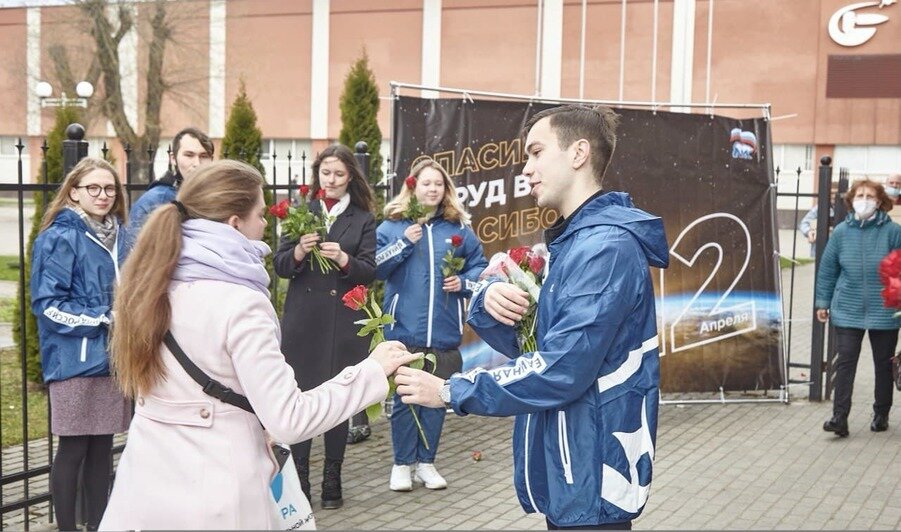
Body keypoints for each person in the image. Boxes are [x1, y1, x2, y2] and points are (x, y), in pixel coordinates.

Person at [99, 160, 419, 530]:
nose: (267, 224)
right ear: (235, 223)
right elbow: (291, 419)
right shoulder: (240, 303)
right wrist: (372, 371)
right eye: (261, 214)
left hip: (144, 489)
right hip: (216, 494)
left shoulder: (148, 282)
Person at [395, 105, 669, 530]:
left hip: (593, 472)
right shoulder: (575, 242)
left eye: (537, 152)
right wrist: (487, 301)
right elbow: (533, 345)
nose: (527, 169)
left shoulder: (604, 248)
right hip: (572, 468)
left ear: (578, 153)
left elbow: (561, 368)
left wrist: (452, 391)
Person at [273, 144, 377, 509]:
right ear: (317, 175)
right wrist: (299, 251)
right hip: (304, 323)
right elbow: (281, 265)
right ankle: (299, 475)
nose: (331, 181)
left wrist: (345, 259)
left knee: (337, 400)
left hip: (343, 322)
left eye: (339, 174)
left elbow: (370, 270)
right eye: (325, 174)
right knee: (300, 398)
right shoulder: (303, 212)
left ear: (350, 177)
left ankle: (332, 478)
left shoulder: (363, 218)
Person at [30, 157, 132, 532]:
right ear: (74, 192)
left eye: (109, 188)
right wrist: (104, 318)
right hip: (74, 361)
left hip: (113, 361)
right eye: (94, 188)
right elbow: (48, 306)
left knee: (102, 450)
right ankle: (68, 528)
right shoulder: (59, 237)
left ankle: (99, 525)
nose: (103, 195)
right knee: (72, 450)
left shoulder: (123, 235)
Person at [376, 157, 488, 492]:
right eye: (426, 183)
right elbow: (375, 269)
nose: (433, 189)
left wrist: (463, 283)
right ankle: (401, 465)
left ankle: (426, 463)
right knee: (405, 402)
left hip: (443, 333)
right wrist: (403, 244)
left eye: (438, 184)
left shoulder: (458, 229)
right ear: (412, 186)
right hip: (403, 330)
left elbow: (479, 267)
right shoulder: (392, 227)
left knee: (436, 400)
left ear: (446, 190)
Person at [815, 178, 901, 437]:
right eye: (859, 195)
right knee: (845, 364)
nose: (864, 200)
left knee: (883, 365)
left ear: (880, 202)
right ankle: (839, 418)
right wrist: (823, 302)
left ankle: (881, 413)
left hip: (884, 310)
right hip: (848, 309)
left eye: (870, 195)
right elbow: (828, 270)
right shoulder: (841, 231)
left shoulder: (893, 232)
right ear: (851, 200)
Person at [126, 127, 214, 246]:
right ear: (173, 158)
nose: (197, 163)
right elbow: (134, 252)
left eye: (204, 156)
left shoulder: (216, 198)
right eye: (189, 155)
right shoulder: (156, 200)